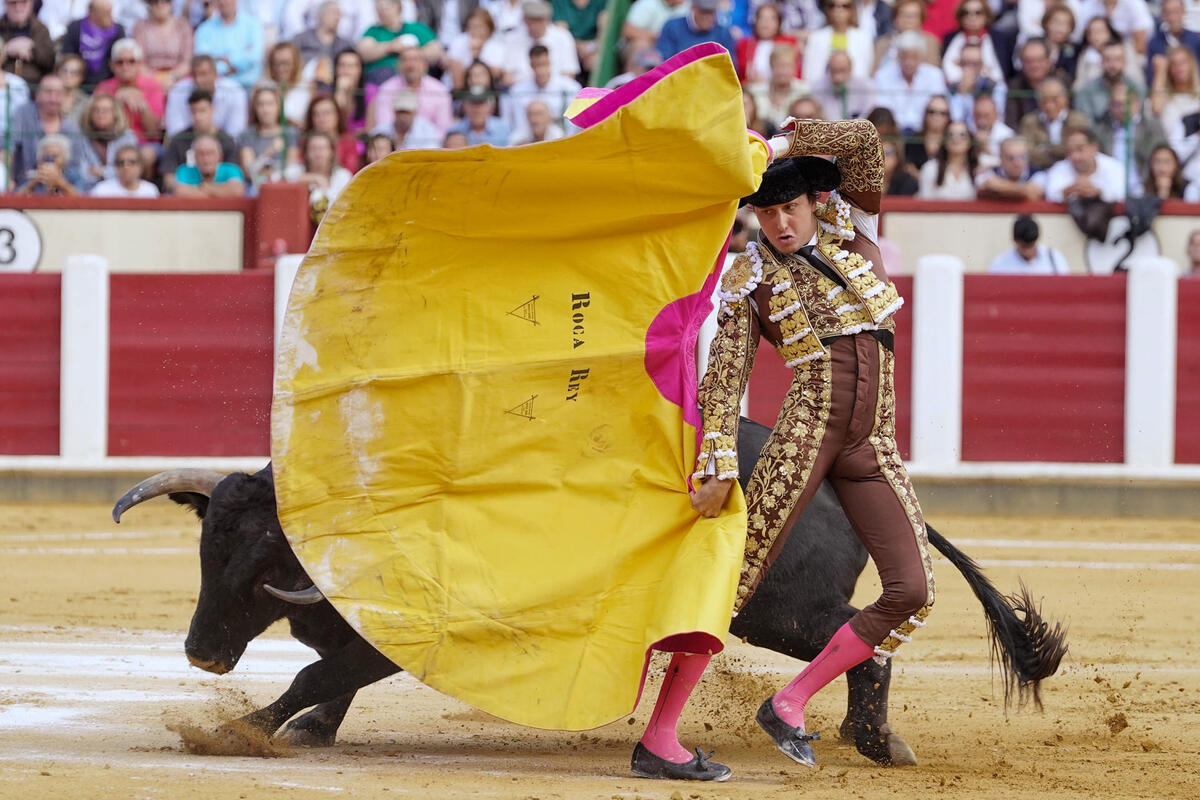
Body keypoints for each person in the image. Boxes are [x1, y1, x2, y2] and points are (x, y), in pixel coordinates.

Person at [634, 117, 934, 780]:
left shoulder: (858, 233)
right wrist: (717, 458)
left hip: (872, 440)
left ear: (815, 202)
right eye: (765, 214)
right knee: (732, 583)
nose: (779, 226)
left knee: (913, 588)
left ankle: (791, 701)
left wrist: (783, 142)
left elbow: (859, 139)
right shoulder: (749, 278)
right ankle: (658, 737)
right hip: (807, 431)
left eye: (788, 208)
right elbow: (723, 373)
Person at [162, 87, 240, 193]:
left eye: (202, 110)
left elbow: (235, 178)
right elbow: (169, 179)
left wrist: (208, 190)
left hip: (222, 198)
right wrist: (193, 191)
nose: (198, 116)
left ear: (212, 110)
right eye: (194, 112)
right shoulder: (178, 139)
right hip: (186, 197)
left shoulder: (227, 140)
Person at [94, 37, 165, 153]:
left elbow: (154, 133)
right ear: (111, 65)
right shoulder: (103, 88)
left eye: (131, 61)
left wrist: (142, 104)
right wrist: (116, 101)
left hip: (143, 144)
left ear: (139, 63)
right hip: (110, 144)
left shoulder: (153, 86)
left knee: (147, 154)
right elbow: (96, 127)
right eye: (119, 62)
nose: (125, 67)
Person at [872, 30, 948, 134]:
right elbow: (883, 108)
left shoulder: (935, 75)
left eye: (914, 57)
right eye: (905, 57)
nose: (909, 62)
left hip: (924, 133)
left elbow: (937, 106)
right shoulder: (883, 76)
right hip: (893, 132)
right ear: (898, 56)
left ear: (922, 57)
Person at [1094, 82, 1167, 191]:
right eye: (1118, 104)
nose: (1123, 109)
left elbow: (1161, 157)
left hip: (1143, 185)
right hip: (1109, 186)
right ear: (1110, 107)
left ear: (1137, 104)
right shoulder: (1101, 130)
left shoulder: (1152, 127)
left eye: (1128, 103)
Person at [370, 46, 453, 136]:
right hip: (396, 145)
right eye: (405, 60)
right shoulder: (386, 89)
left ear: (425, 65)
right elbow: (384, 125)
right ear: (398, 65)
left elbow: (443, 129)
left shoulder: (439, 90)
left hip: (430, 146)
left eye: (416, 60)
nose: (411, 65)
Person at [358, 0, 440, 86]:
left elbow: (435, 51)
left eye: (385, 5)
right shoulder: (373, 31)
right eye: (378, 6)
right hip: (380, 82)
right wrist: (390, 47)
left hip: (416, 83)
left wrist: (409, 54)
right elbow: (362, 52)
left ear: (398, 7)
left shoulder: (416, 28)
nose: (381, 10)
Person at [164, 54, 248, 137]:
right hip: (186, 146)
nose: (198, 80)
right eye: (194, 75)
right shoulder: (177, 91)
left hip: (223, 146)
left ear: (215, 75)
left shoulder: (235, 92)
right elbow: (175, 133)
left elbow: (236, 134)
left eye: (203, 74)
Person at [502, 43, 580, 133]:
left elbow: (573, 126)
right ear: (531, 65)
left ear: (549, 62)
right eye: (536, 65)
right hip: (528, 142)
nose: (540, 70)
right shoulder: (517, 91)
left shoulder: (571, 87)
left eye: (544, 64)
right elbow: (519, 125)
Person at [1018, 76, 1090, 171]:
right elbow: (1028, 151)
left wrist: (1046, 149)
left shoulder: (1078, 120)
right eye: (1044, 100)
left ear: (1065, 99)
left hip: (1072, 169)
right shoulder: (1029, 121)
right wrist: (1059, 150)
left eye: (1054, 99)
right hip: (1039, 170)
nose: (1049, 105)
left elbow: (1077, 149)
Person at [239, 83, 300, 190]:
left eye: (270, 104)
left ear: (278, 106)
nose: (265, 110)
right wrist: (270, 151)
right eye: (260, 104)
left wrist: (263, 172)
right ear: (254, 108)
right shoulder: (247, 134)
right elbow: (249, 172)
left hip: (284, 189)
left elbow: (291, 170)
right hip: (256, 190)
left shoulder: (290, 133)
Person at [1042, 126, 1126, 203]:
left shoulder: (1114, 166)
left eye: (1080, 149)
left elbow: (1121, 193)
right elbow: (1051, 195)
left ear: (1094, 148)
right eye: (1070, 151)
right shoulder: (1058, 169)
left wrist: (1098, 192)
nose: (1074, 156)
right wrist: (1070, 190)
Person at [503, 0, 580, 84]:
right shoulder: (512, 38)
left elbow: (569, 74)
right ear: (525, 19)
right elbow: (507, 77)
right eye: (532, 20)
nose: (536, 25)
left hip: (555, 91)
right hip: (522, 92)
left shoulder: (563, 37)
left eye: (539, 20)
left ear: (547, 20)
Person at [193, 0, 264, 90]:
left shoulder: (253, 25)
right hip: (217, 89)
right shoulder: (204, 29)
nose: (223, 2)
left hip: (248, 86)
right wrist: (234, 64)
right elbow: (203, 61)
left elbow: (254, 55)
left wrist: (227, 59)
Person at [1074, 39, 1146, 125]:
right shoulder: (1086, 91)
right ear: (1101, 62)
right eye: (1107, 59)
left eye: (1117, 59)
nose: (1112, 65)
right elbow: (1086, 125)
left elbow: (1143, 122)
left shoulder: (1137, 88)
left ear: (1124, 62)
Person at [284, 130, 352, 222]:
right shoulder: (299, 170)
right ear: (306, 153)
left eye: (322, 148)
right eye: (313, 148)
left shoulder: (342, 175)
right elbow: (285, 175)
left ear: (331, 152)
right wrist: (315, 178)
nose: (318, 153)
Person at [78, 91, 138, 188]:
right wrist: (111, 172)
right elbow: (83, 172)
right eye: (96, 110)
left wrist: (102, 172)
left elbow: (129, 170)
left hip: (121, 187)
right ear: (89, 114)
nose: (100, 114)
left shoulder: (127, 137)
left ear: (115, 114)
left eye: (105, 110)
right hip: (88, 188)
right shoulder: (82, 138)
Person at [60, 0, 126, 87]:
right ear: (93, 13)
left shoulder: (118, 30)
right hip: (80, 78)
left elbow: (119, 57)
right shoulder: (76, 28)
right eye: (106, 13)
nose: (111, 17)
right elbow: (68, 55)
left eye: (110, 12)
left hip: (108, 79)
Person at [803, 0, 873, 81]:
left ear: (852, 9)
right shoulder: (816, 38)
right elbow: (809, 74)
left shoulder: (864, 39)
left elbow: (865, 72)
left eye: (845, 6)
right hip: (822, 90)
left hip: (853, 90)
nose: (838, 10)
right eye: (832, 5)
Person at [747, 44, 808, 134]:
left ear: (795, 67)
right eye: (779, 66)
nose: (783, 71)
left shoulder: (804, 91)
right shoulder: (755, 91)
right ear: (771, 66)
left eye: (787, 66)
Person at [133, 0, 194, 88]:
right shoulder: (140, 27)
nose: (160, 5)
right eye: (155, 2)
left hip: (179, 76)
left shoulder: (183, 26)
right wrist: (155, 79)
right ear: (149, 4)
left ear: (171, 4)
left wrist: (173, 76)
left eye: (165, 1)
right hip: (149, 76)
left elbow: (188, 60)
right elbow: (139, 61)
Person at [735, 2, 800, 85]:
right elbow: (739, 77)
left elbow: (796, 74)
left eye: (771, 18)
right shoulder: (744, 45)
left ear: (779, 23)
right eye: (762, 18)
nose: (765, 22)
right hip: (752, 89)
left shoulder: (789, 43)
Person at [292, 1, 356, 81]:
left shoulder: (345, 45)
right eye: (333, 13)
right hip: (302, 83)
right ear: (320, 15)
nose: (337, 17)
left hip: (333, 88)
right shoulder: (301, 39)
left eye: (339, 14)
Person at [873, 0, 941, 75]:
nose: (908, 20)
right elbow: (874, 73)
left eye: (913, 16)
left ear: (921, 20)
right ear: (895, 19)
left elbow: (934, 73)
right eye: (904, 15)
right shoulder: (883, 42)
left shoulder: (930, 42)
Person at [445, 7, 507, 87]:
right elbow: (456, 77)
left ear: (489, 28)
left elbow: (492, 76)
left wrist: (476, 54)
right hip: (457, 90)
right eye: (471, 26)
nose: (474, 31)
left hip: (486, 93)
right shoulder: (458, 41)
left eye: (479, 26)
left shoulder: (497, 46)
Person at [987, 214, 1070, 274]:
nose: (1028, 251)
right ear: (1015, 240)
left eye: (1031, 245)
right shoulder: (1000, 264)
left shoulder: (1054, 258)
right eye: (1024, 246)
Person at [918, 120, 979, 199]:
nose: (956, 139)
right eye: (950, 135)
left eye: (962, 135)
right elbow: (924, 202)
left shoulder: (978, 168)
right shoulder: (930, 168)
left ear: (970, 141)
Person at [172, 132, 245, 196]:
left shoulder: (231, 169)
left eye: (210, 153)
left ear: (219, 156)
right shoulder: (184, 170)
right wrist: (221, 192)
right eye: (201, 154)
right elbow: (179, 191)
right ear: (195, 157)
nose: (206, 158)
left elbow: (237, 190)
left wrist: (205, 188)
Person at [0, 0, 56, 84]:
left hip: (34, 86)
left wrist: (32, 48)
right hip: (3, 85)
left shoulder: (41, 29)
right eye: (13, 3)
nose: (18, 8)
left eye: (23, 3)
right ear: (5, 4)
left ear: (31, 4)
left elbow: (51, 62)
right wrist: (5, 50)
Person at [810, 50, 875, 120]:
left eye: (842, 71)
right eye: (834, 71)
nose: (838, 78)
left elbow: (870, 114)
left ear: (850, 69)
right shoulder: (817, 87)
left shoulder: (865, 86)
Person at [304, 93, 362, 171]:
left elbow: (351, 170)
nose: (321, 118)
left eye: (327, 113)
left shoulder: (348, 140)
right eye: (316, 114)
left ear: (337, 115)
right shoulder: (305, 141)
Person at [976, 135, 1045, 200]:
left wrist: (999, 187)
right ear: (1001, 158)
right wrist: (1022, 190)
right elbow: (982, 187)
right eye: (1011, 158)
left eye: (1023, 157)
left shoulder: (1038, 174)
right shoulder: (989, 172)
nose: (1017, 163)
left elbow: (1032, 193)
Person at [14, 132, 83, 195]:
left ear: (65, 159)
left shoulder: (74, 176)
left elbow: (82, 198)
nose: (50, 161)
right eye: (47, 157)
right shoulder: (31, 174)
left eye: (54, 156)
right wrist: (35, 181)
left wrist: (60, 182)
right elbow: (15, 197)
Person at [372, 87, 442, 148]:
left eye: (407, 112)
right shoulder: (380, 131)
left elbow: (430, 155)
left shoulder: (427, 130)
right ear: (394, 111)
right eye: (400, 112)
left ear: (415, 112)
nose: (403, 117)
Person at [266, 41, 313, 127]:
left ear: (296, 62)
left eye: (286, 63)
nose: (281, 68)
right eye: (276, 63)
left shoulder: (307, 88)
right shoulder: (264, 87)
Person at [621, 0, 689, 57]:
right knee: (641, 43)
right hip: (648, 46)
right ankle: (637, 73)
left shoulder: (688, 6)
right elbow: (628, 30)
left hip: (671, 47)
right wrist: (658, 36)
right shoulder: (649, 3)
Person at [90, 141, 160, 196]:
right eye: (121, 163)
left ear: (140, 166)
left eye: (132, 162)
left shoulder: (150, 191)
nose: (126, 166)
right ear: (115, 167)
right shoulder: (101, 190)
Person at [905, 94, 952, 173]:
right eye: (932, 112)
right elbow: (908, 169)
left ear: (948, 117)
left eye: (942, 113)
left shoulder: (952, 142)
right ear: (925, 114)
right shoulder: (913, 142)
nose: (936, 117)